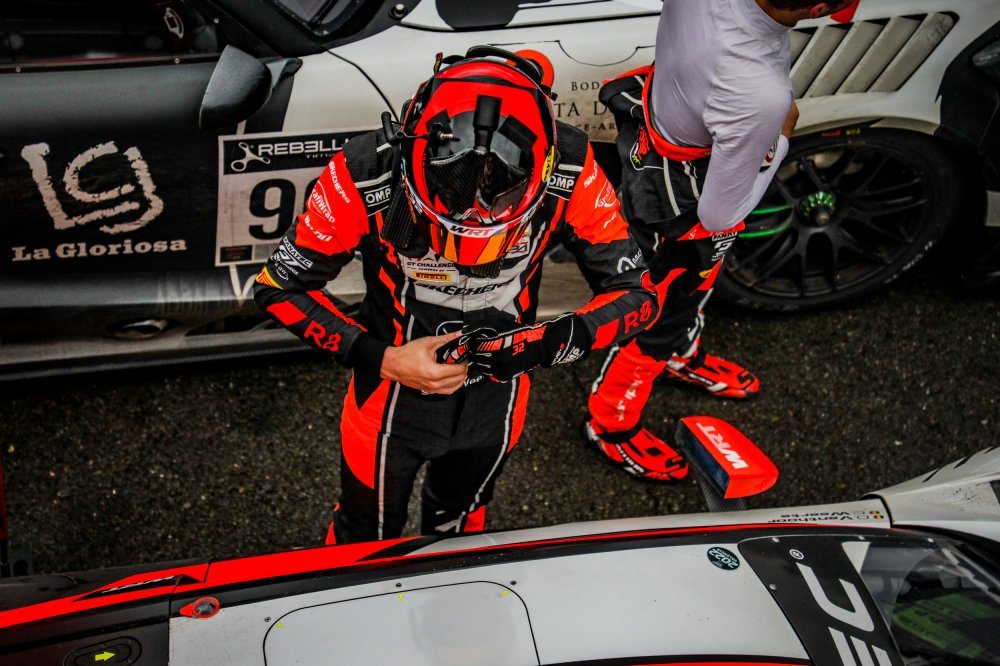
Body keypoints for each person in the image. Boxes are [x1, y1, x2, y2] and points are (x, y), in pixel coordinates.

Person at [254, 46, 658, 544]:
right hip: (386, 403)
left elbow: (638, 295)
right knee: (363, 538)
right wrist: (384, 360)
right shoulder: (365, 168)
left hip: (499, 405)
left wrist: (547, 344)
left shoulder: (570, 164)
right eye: (447, 220)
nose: (471, 237)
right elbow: (277, 286)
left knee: (461, 531)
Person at [582, 0, 860, 481]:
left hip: (654, 155)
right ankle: (610, 424)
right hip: (682, 213)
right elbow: (719, 215)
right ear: (819, 8)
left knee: (692, 290)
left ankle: (679, 355)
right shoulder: (758, 93)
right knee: (656, 319)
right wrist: (782, 138)